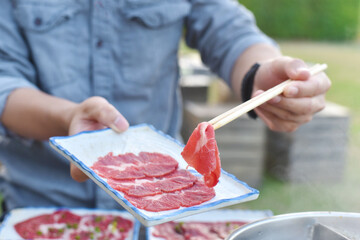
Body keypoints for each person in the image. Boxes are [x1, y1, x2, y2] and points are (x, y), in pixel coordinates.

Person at [0, 0, 330, 215]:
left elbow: (229, 30)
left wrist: (261, 73)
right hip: (44, 203)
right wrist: (68, 117)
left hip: (166, 198)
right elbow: (5, 82)